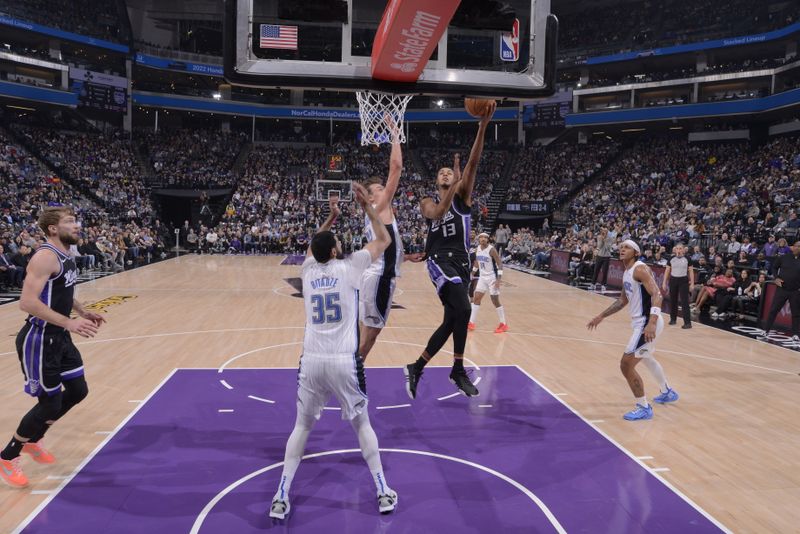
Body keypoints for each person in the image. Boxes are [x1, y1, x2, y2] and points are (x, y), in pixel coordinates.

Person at [269, 187, 397, 519]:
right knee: (362, 424)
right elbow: (383, 240)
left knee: (301, 428)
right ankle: (383, 491)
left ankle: (282, 495)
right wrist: (368, 210)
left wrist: (332, 216)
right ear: (337, 249)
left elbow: (316, 245)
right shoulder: (351, 267)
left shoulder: (308, 271)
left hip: (311, 361)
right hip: (343, 361)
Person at [0, 207, 105, 488]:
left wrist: (81, 311)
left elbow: (63, 291)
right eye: (69, 222)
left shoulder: (66, 255)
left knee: (78, 390)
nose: (77, 225)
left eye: (75, 220)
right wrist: (69, 323)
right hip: (40, 338)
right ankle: (8, 457)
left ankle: (33, 439)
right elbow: (28, 302)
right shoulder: (45, 257)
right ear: (52, 229)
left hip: (59, 338)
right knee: (50, 402)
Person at [404, 102, 496, 400]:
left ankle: (417, 366)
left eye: (449, 172)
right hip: (438, 260)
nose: (446, 174)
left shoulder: (463, 198)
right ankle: (457, 369)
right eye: (442, 173)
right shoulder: (427, 201)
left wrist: (482, 125)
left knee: (452, 319)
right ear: (437, 180)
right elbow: (434, 214)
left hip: (461, 260)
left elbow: (474, 161)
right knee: (466, 310)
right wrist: (454, 182)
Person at [586, 240, 679, 421]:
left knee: (626, 364)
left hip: (646, 322)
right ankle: (667, 391)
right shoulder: (627, 272)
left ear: (636, 252)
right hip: (641, 322)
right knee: (645, 358)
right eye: (621, 246)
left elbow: (657, 294)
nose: (622, 249)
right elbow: (622, 301)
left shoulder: (639, 269)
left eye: (627, 247)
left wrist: (651, 323)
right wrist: (601, 316)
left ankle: (644, 407)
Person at [358, 121, 422, 362]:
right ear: (370, 196)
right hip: (380, 277)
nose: (385, 189)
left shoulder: (376, 213)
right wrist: (395, 133)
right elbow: (396, 166)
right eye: (379, 188)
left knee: (367, 330)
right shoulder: (378, 205)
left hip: (376, 274)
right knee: (372, 333)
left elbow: (381, 247)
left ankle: (351, 368)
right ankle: (353, 372)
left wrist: (403, 257)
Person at [760, 240, 800, 341]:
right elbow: (774, 267)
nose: (797, 248)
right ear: (792, 247)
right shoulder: (784, 257)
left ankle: (795, 334)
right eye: (796, 246)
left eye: (799, 247)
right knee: (774, 310)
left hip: (795, 291)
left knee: (796, 313)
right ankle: (766, 330)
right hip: (782, 288)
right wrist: (776, 278)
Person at [468, 232, 507, 333]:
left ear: (488, 239)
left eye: (485, 238)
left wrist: (498, 279)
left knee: (495, 300)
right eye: (481, 237)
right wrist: (472, 273)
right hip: (482, 277)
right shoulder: (477, 249)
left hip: (492, 278)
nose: (483, 239)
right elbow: (477, 262)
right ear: (479, 239)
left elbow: (500, 264)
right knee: (476, 298)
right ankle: (471, 323)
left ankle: (503, 324)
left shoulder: (492, 249)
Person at [662, 244, 693, 329]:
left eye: (680, 248)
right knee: (673, 301)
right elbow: (667, 271)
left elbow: (691, 272)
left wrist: (692, 283)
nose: (679, 250)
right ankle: (673, 319)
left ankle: (687, 323)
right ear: (675, 250)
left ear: (683, 250)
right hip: (673, 280)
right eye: (677, 248)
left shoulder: (688, 259)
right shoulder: (671, 259)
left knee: (684, 302)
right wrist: (664, 282)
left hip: (683, 281)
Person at [591, 227, 613, 291]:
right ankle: (593, 284)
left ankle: (603, 285)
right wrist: (601, 239)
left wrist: (605, 240)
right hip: (599, 255)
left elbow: (608, 248)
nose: (604, 232)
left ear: (607, 232)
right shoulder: (599, 237)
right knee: (596, 270)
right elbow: (599, 246)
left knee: (605, 271)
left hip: (606, 256)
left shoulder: (610, 238)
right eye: (603, 231)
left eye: (605, 231)